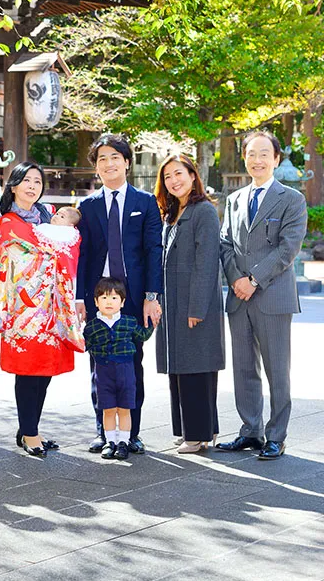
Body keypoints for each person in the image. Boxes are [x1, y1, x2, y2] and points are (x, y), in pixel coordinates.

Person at [218, 130, 307, 460]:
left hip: (272, 296)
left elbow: (288, 249)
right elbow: (225, 243)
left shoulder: (291, 199)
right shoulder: (235, 199)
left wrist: (254, 279)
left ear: (276, 159)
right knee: (243, 368)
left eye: (264, 154)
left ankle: (276, 435)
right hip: (239, 297)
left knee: (276, 369)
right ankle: (250, 430)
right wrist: (237, 280)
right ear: (244, 158)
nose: (257, 160)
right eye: (251, 154)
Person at [0, 162, 84, 458]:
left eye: (37, 182)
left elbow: (64, 248)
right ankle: (30, 432)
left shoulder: (48, 217)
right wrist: (51, 250)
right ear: (13, 186)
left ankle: (30, 427)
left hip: (51, 308)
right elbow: (21, 258)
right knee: (28, 371)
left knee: (45, 371)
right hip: (25, 310)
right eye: (26, 181)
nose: (32, 186)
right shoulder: (8, 223)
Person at [76, 133, 163, 454]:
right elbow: (83, 256)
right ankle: (103, 430)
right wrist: (79, 299)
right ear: (96, 168)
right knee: (98, 366)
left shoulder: (145, 202)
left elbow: (154, 250)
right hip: (98, 300)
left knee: (131, 365)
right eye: (102, 159)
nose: (109, 164)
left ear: (127, 162)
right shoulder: (88, 206)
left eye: (115, 157)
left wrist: (152, 296)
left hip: (132, 298)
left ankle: (131, 432)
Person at [154, 154, 225, 453]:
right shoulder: (173, 213)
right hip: (173, 302)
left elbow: (207, 263)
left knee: (197, 367)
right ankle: (188, 429)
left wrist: (196, 308)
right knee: (179, 367)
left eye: (179, 173)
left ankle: (199, 435)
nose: (174, 180)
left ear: (193, 175)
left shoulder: (203, 211)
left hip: (194, 303)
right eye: (168, 176)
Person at [84, 277, 153, 460]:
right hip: (103, 373)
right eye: (104, 298)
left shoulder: (129, 322)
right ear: (96, 302)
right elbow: (86, 344)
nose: (109, 302)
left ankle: (123, 441)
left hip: (125, 372)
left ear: (122, 302)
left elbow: (143, 335)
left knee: (124, 409)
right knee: (108, 409)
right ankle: (110, 441)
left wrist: (153, 321)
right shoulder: (92, 327)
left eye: (114, 298)